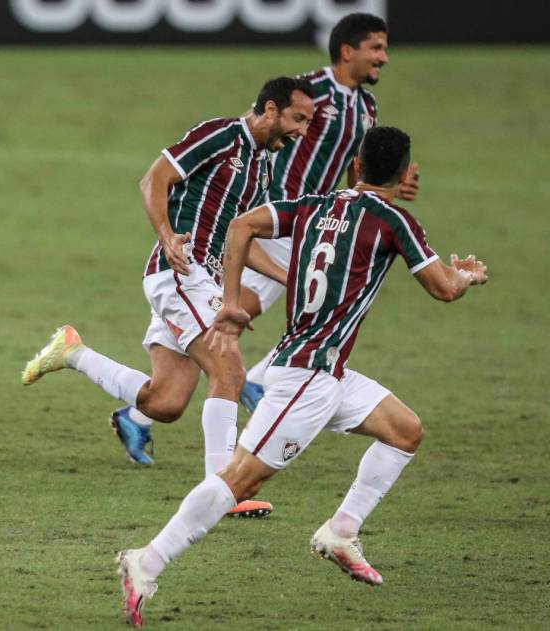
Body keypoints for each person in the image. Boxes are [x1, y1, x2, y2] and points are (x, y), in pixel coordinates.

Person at [114, 126, 488, 628]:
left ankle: (341, 531)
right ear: (402, 175)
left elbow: (241, 225)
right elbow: (443, 289)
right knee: (240, 480)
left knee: (404, 431)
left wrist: (229, 299)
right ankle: (147, 562)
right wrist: (467, 274)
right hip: (307, 378)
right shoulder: (394, 220)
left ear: (356, 164)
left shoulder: (312, 206)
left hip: (326, 370)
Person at [22, 77, 314, 516]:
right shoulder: (220, 134)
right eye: (298, 119)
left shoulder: (262, 168)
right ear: (270, 110)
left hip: (203, 282)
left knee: (166, 402)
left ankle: (72, 352)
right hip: (181, 272)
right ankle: (223, 491)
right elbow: (153, 179)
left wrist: (287, 276)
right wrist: (167, 237)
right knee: (229, 369)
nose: (302, 131)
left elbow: (240, 241)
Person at [238, 12, 420, 413]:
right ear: (346, 50)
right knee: (238, 313)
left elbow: (358, 174)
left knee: (310, 311)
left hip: (313, 226)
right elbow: (253, 128)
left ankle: (147, 409)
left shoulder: (367, 106)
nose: (384, 58)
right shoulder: (309, 92)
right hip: (279, 220)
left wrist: (390, 184)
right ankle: (248, 382)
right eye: (376, 48)